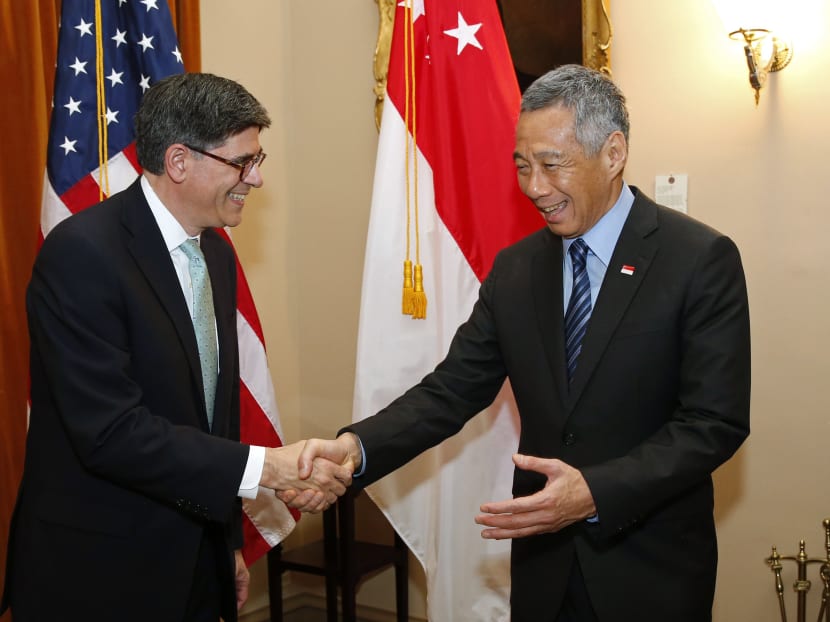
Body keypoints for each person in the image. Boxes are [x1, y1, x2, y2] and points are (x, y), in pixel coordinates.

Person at [287, 64, 751, 621]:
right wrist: (357, 448)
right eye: (523, 166)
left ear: (613, 152)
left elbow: (712, 423)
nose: (535, 187)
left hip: (649, 568)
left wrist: (595, 491)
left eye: (553, 165)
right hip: (543, 565)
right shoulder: (516, 270)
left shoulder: (698, 259)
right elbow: (452, 390)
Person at [0, 73, 352, 622]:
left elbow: (216, 414)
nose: (255, 180)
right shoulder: (83, 254)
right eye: (243, 162)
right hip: (98, 573)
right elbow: (111, 432)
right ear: (181, 161)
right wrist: (268, 469)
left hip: (195, 561)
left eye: (258, 160)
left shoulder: (215, 254)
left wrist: (227, 542)